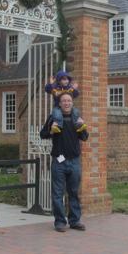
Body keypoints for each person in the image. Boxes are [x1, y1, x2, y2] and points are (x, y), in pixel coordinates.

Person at [40, 92, 88, 232]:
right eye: (64, 101)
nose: (67, 103)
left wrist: (83, 125)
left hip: (74, 161)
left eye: (69, 101)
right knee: (57, 194)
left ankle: (74, 221)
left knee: (74, 193)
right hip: (58, 162)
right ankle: (60, 222)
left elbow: (84, 138)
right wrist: (51, 132)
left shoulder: (77, 117)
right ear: (59, 103)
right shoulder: (54, 117)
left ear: (72, 103)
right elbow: (42, 134)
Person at [44, 70, 86, 134]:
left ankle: (78, 124)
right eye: (64, 79)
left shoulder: (69, 88)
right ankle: (58, 126)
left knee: (76, 111)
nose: (66, 81)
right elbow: (48, 90)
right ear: (59, 81)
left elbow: (76, 95)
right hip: (58, 106)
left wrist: (75, 89)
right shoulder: (55, 88)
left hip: (68, 107)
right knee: (56, 112)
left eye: (67, 79)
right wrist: (50, 84)